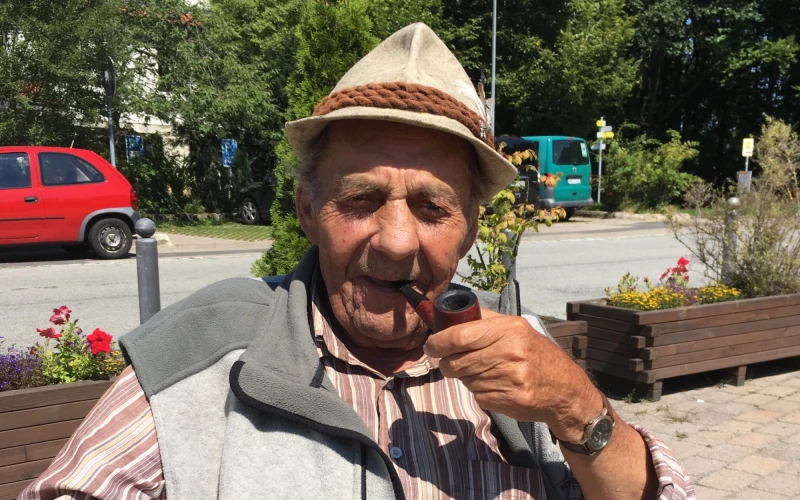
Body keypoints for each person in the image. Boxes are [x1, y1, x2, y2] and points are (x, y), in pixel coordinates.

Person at [21, 23, 693, 500]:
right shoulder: (201, 356)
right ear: (308, 210)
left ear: (471, 227)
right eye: (362, 199)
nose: (397, 241)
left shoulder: (525, 357)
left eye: (433, 208)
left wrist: (580, 411)